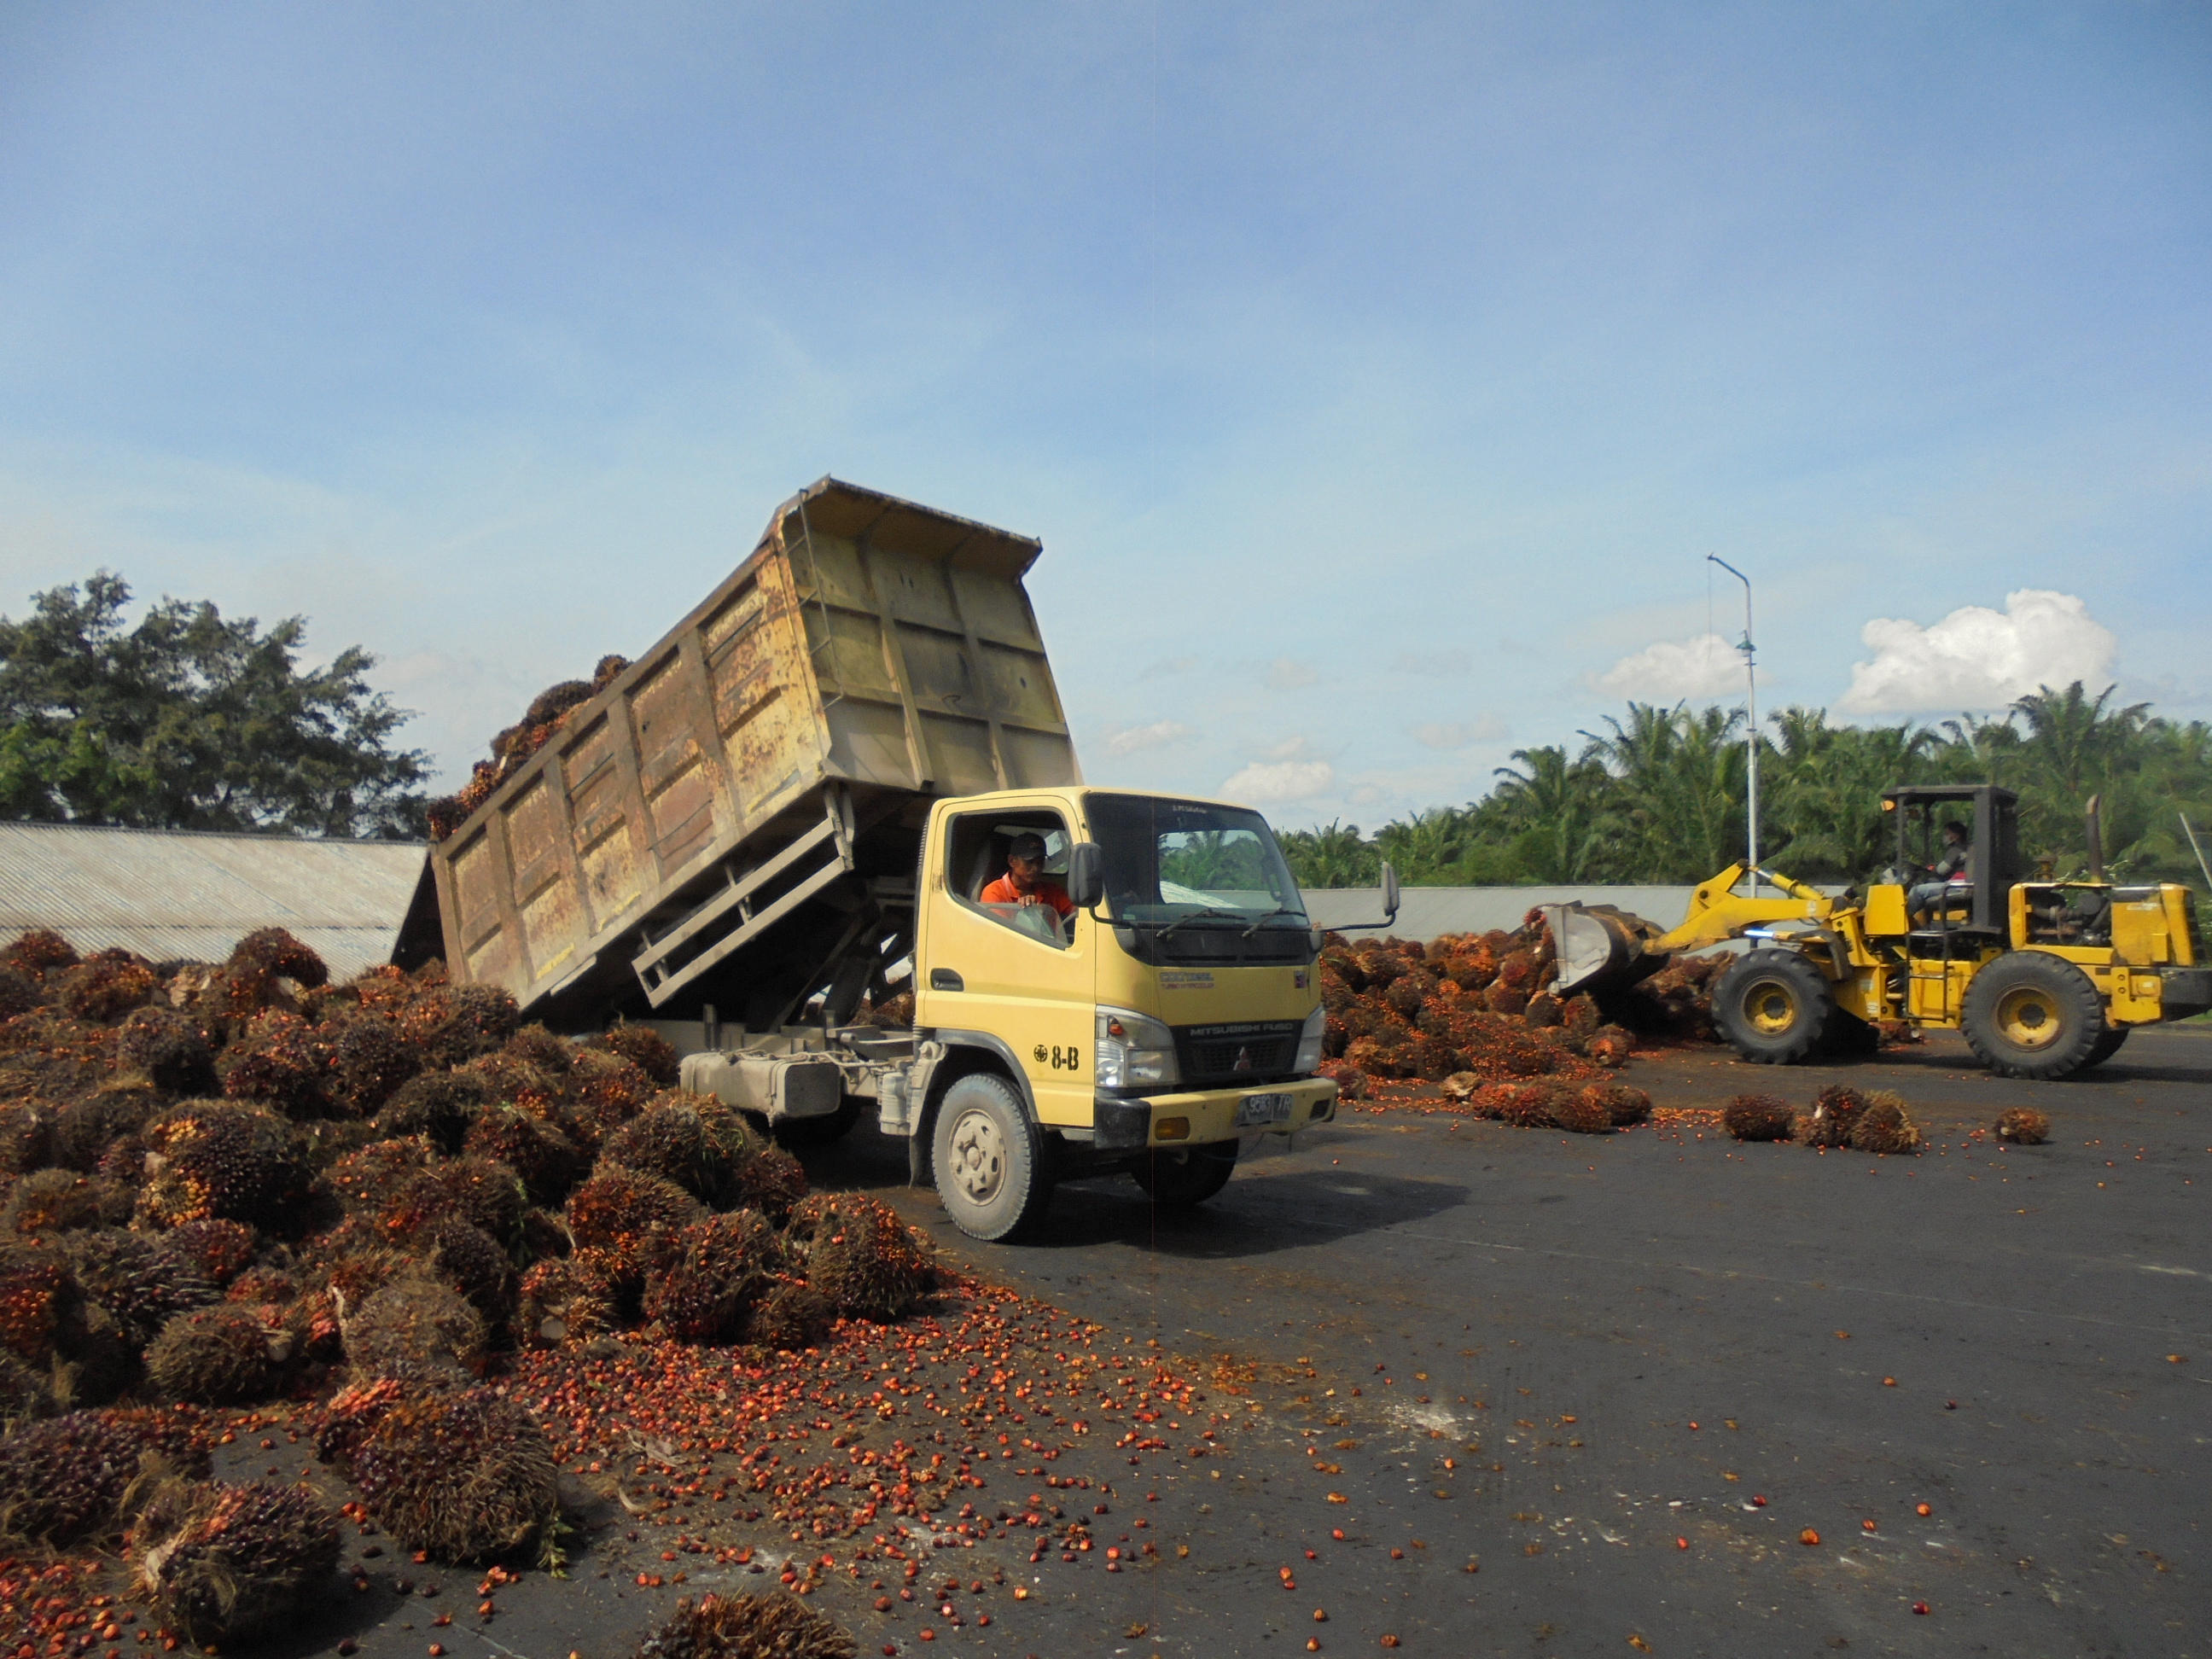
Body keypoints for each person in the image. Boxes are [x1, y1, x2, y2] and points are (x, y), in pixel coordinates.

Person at [981, 832, 1075, 920]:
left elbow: (1078, 911)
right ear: (1012, 861)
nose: (1036, 868)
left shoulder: (1052, 891)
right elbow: (1000, 930)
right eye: (1029, 862)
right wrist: (1027, 913)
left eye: (1040, 862)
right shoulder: (994, 892)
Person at [1908, 819, 1972, 923]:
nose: (1945, 836)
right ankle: (1927, 923)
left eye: (1947, 833)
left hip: (1957, 887)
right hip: (1964, 886)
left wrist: (1931, 868)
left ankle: (1909, 922)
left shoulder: (1956, 850)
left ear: (1956, 836)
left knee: (1916, 891)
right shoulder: (1968, 848)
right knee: (1932, 882)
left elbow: (1941, 870)